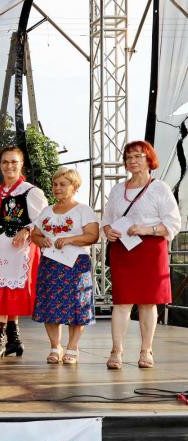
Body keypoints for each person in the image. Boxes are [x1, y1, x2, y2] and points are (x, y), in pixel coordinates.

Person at [101, 140, 182, 369]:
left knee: (148, 303)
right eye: (128, 157)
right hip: (122, 250)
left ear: (149, 159)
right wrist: (108, 230)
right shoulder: (117, 190)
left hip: (151, 250)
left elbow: (174, 223)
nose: (132, 160)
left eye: (138, 156)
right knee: (122, 302)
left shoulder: (160, 188)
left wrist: (146, 229)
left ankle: (146, 350)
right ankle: (116, 351)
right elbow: (106, 220)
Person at [0, 146, 48, 359]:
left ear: (21, 163)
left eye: (14, 161)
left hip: (18, 250)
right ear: (0, 165)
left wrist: (27, 230)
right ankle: (12, 340)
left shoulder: (31, 192)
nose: (9, 166)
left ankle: (0, 342)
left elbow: (44, 219)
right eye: (5, 162)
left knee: (9, 292)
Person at [31, 167, 99, 365]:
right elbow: (35, 234)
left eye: (62, 184)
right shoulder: (46, 211)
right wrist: (40, 240)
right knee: (50, 306)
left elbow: (93, 235)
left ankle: (72, 347)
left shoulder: (83, 210)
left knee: (77, 306)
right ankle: (55, 347)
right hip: (50, 265)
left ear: (74, 187)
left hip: (76, 265)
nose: (57, 188)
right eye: (55, 184)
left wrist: (70, 239)